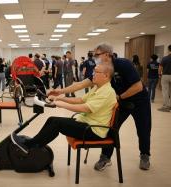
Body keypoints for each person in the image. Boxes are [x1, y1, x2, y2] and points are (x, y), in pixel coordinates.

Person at [48, 43, 152, 171]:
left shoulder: (123, 64)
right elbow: (82, 84)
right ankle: (105, 158)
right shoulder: (100, 68)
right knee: (111, 128)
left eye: (97, 55)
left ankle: (145, 155)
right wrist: (61, 91)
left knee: (143, 128)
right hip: (120, 101)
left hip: (139, 100)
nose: (94, 57)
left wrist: (119, 97)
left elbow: (138, 87)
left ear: (107, 55)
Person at [11, 63, 117, 155]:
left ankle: (29, 146)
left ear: (106, 75)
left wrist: (61, 104)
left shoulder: (107, 92)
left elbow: (85, 108)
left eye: (96, 72)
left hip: (93, 130)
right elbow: (80, 100)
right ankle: (34, 144)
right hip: (86, 123)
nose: (93, 74)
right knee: (52, 119)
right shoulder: (98, 87)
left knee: (57, 124)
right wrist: (60, 98)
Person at [158, 44, 171, 112]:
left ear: (169, 50)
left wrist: (159, 74)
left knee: (165, 91)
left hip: (165, 75)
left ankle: (166, 106)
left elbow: (160, 67)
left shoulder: (165, 58)